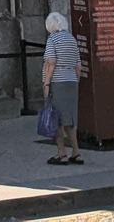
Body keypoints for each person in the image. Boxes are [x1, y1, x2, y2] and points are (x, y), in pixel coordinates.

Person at [41, 11, 82, 166]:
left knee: (55, 119)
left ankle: (62, 153)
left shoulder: (53, 39)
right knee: (70, 120)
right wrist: (75, 81)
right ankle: (76, 152)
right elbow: (78, 65)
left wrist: (46, 83)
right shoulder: (71, 39)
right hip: (71, 82)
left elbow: (50, 62)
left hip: (57, 82)